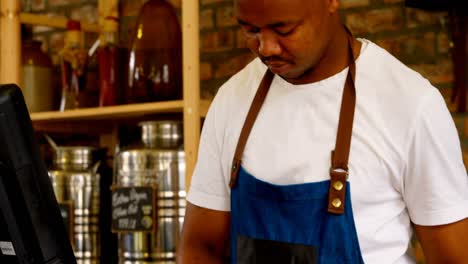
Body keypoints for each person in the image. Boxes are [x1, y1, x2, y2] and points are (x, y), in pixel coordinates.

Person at [177, 0, 468, 263]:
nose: (266, 47)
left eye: (284, 29)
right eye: (250, 30)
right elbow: (200, 249)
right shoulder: (231, 101)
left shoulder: (410, 104)